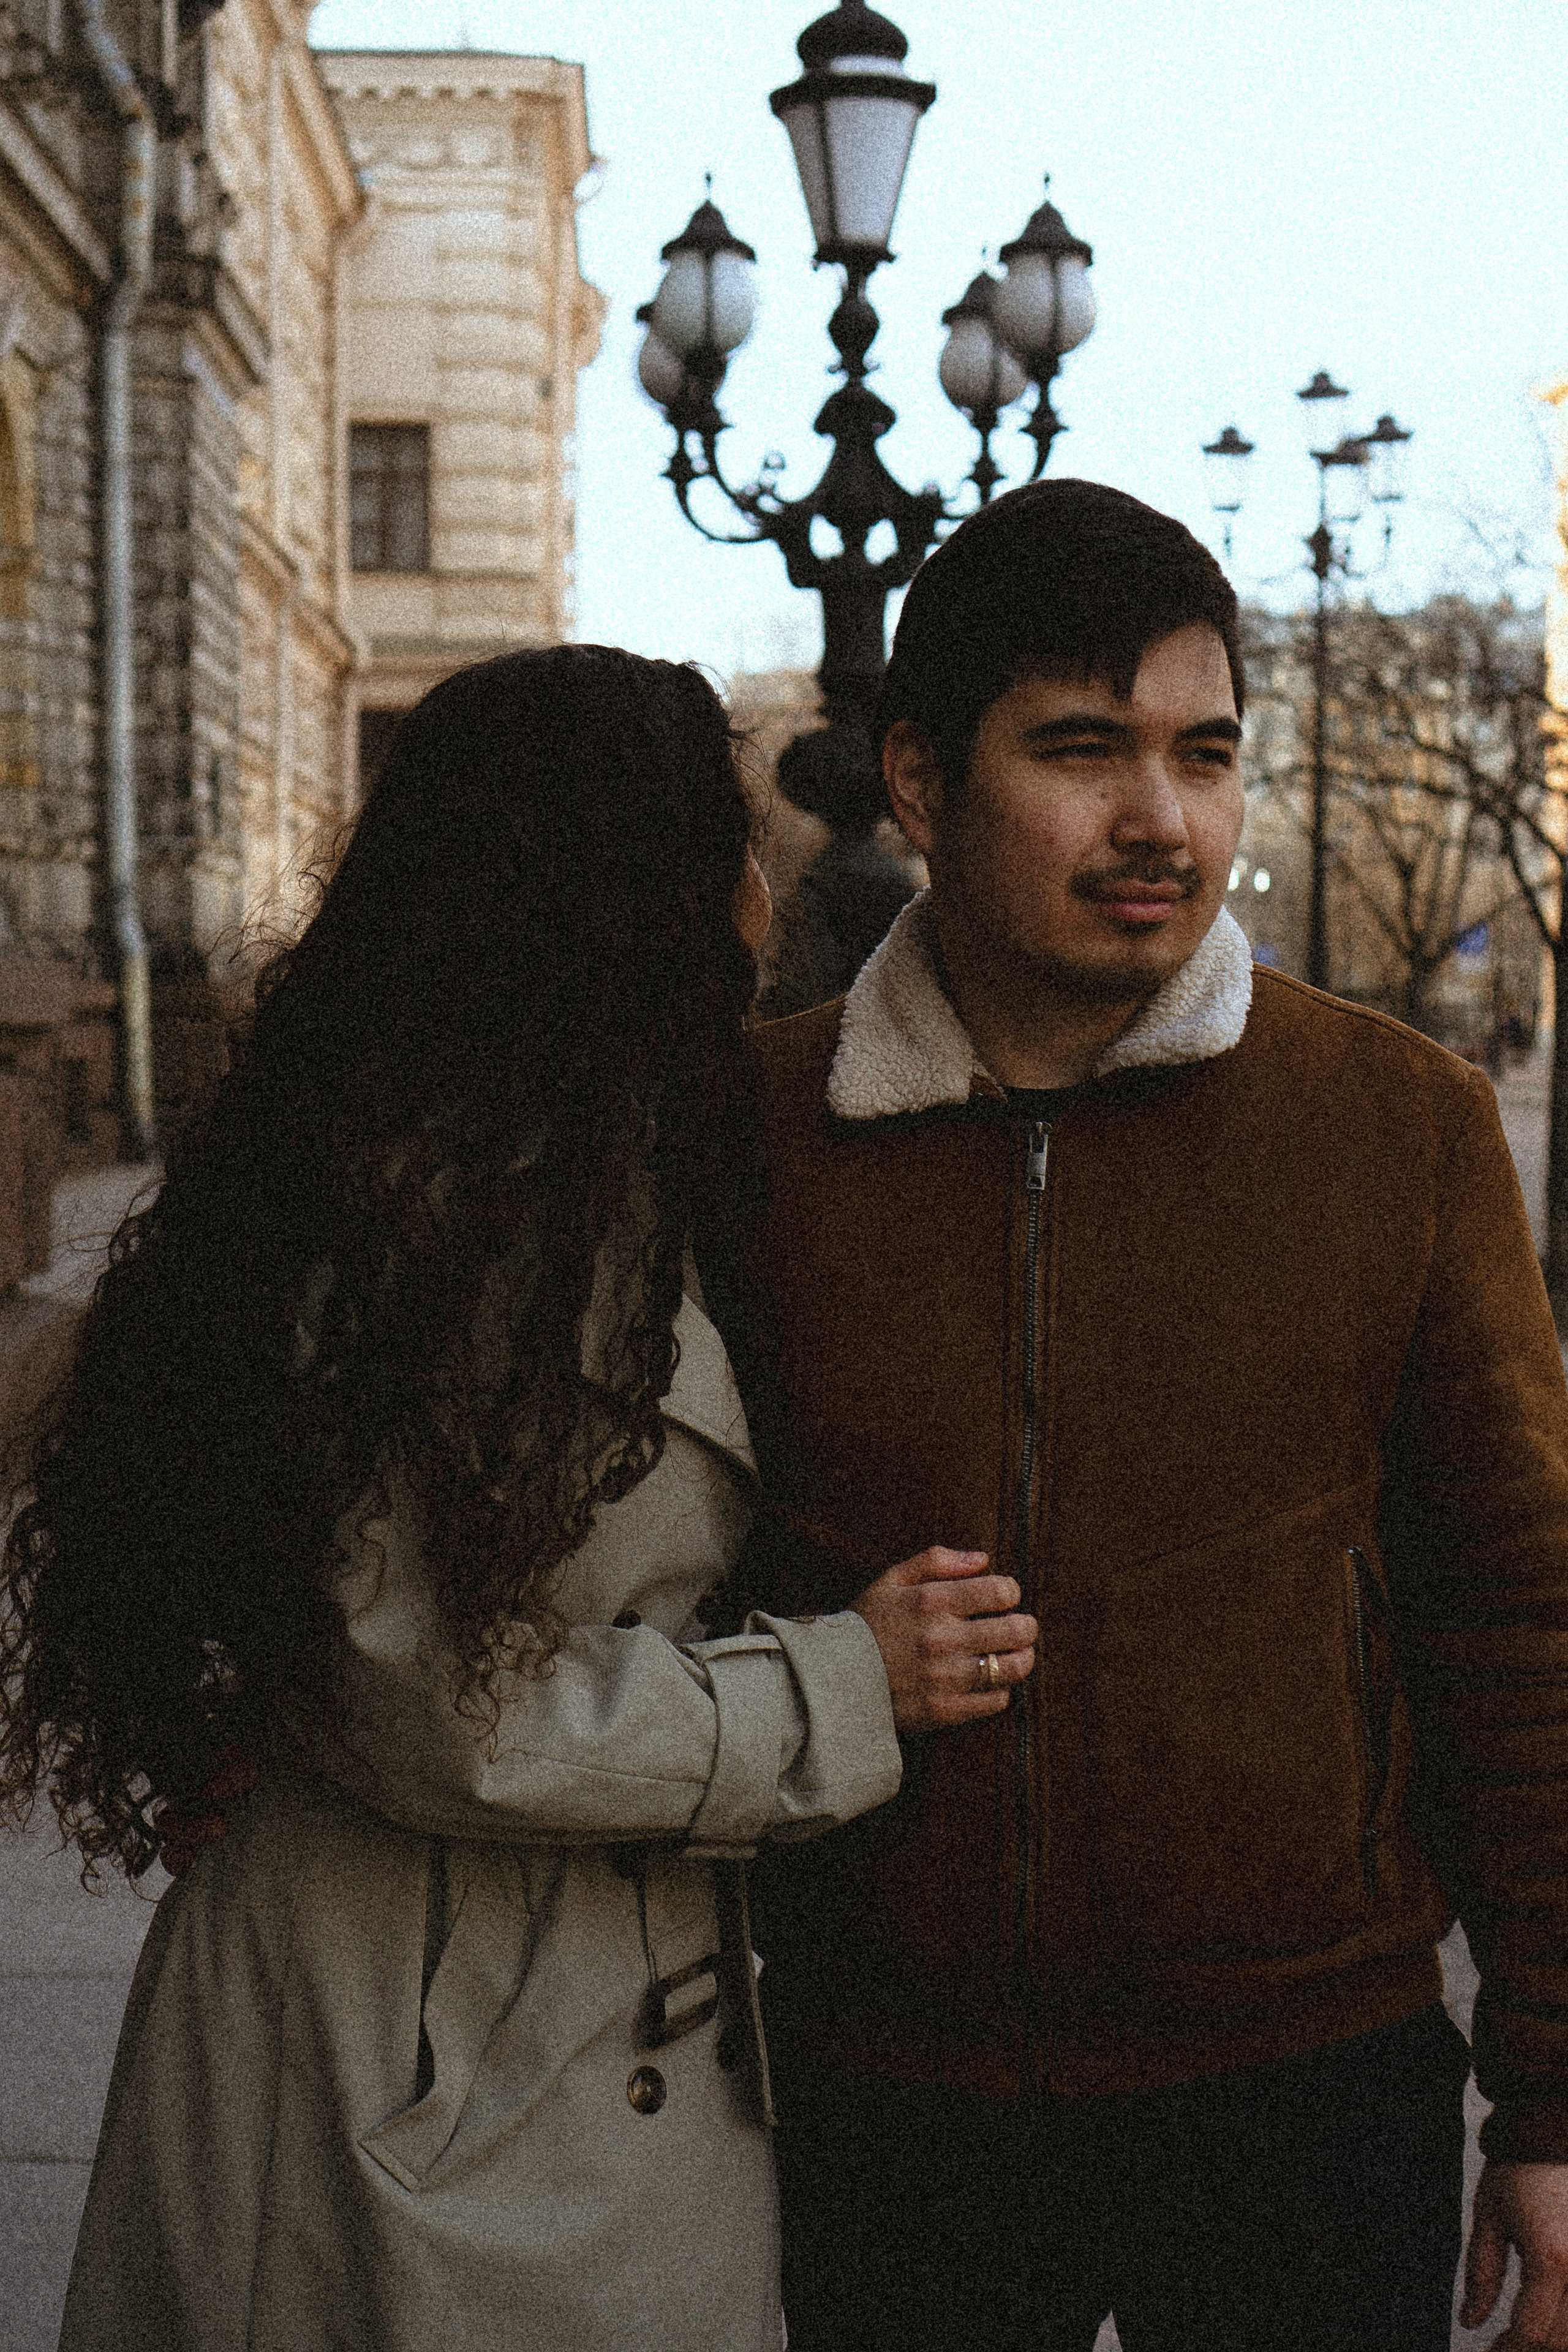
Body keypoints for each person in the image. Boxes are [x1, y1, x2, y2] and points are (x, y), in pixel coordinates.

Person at [0, 646, 1038, 2352]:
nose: (766, 891)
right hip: (418, 2063)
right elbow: (440, 1705)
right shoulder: (435, 1210)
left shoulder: (562, 1160)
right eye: (727, 842)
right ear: (631, 890)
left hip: (525, 2035)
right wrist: (850, 1685)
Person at [745, 481, 1568, 2352]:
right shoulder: (751, 1137)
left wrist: (1553, 2101)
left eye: (1207, 756)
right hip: (881, 2098)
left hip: (1306, 2091)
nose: (1162, 821)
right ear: (922, 783)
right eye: (1081, 750)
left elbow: (1522, 1622)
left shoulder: (1397, 1127)